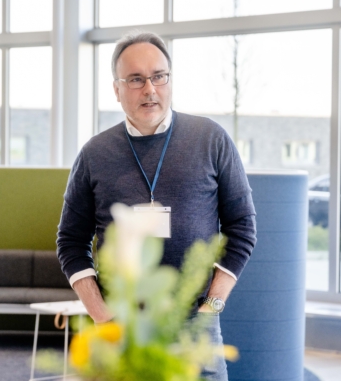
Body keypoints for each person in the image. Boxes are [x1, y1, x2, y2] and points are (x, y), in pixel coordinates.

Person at [57, 31, 257, 380]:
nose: (150, 89)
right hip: (123, 325)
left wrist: (212, 306)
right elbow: (70, 243)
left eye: (159, 76)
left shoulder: (210, 139)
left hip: (196, 322)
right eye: (135, 79)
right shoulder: (94, 154)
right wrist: (103, 317)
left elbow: (242, 227)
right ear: (116, 89)